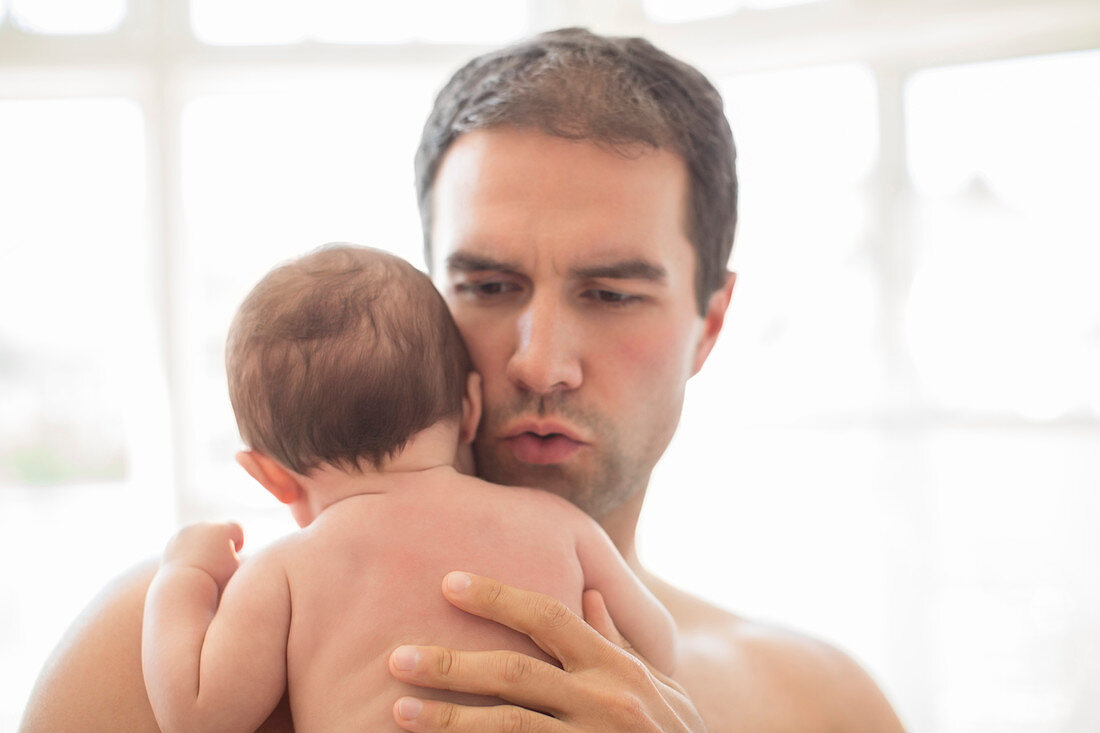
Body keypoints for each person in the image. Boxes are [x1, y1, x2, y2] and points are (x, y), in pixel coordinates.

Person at [20, 27, 905, 732]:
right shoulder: (165, 645)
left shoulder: (825, 706)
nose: (540, 362)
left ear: (709, 322)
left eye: (610, 292)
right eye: (487, 286)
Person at [141, 244, 676, 732]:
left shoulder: (283, 572)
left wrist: (183, 574)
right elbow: (655, 656)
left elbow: (197, 720)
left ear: (270, 475)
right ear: (469, 408)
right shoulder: (561, 523)